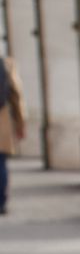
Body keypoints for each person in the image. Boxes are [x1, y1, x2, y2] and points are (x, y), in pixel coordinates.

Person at [0, 51, 27, 217]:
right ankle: (1, 202)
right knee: (0, 163)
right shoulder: (7, 64)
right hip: (1, 123)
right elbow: (17, 94)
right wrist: (20, 123)